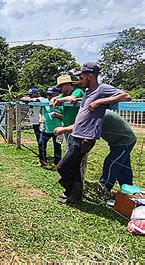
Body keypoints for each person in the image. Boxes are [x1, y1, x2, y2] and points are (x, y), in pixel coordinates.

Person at [55, 62, 131, 204]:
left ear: (90, 76)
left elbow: (126, 96)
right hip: (76, 134)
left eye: (82, 76)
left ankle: (70, 191)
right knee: (75, 167)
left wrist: (101, 101)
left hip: (85, 138)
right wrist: (76, 99)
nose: (79, 80)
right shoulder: (88, 92)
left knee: (62, 167)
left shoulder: (102, 89)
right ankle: (74, 196)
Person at [55, 110, 137, 200]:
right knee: (122, 166)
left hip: (124, 142)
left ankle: (104, 189)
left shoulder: (98, 113)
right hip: (119, 141)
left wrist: (64, 129)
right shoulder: (96, 112)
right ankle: (128, 192)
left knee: (111, 163)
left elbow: (82, 126)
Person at [50, 74, 84, 152]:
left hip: (77, 127)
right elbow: (56, 98)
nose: (60, 89)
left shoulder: (77, 91)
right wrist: (54, 98)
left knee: (72, 151)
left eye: (61, 86)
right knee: (69, 149)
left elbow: (72, 98)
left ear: (68, 84)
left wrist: (59, 100)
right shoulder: (64, 94)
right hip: (67, 127)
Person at [38, 86, 63, 167]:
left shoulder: (62, 103)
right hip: (46, 128)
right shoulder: (44, 101)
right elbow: (40, 111)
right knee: (41, 143)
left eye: (51, 94)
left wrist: (56, 114)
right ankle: (42, 161)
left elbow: (64, 117)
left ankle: (57, 163)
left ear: (56, 94)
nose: (49, 96)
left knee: (57, 146)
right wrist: (40, 118)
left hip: (58, 129)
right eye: (48, 94)